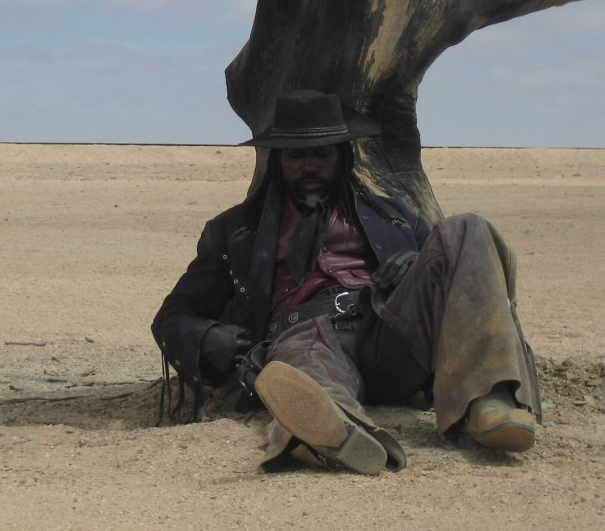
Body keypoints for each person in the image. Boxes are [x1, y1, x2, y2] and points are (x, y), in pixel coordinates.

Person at [151, 90, 541, 475]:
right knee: (306, 373)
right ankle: (335, 430)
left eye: (322, 154)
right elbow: (174, 314)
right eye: (296, 155)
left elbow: (451, 278)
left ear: (342, 156)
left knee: (466, 228)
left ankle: (492, 400)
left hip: (386, 331)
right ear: (276, 161)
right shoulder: (234, 231)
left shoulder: (397, 218)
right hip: (304, 335)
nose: (310, 166)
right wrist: (208, 338)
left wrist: (414, 263)